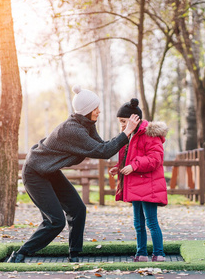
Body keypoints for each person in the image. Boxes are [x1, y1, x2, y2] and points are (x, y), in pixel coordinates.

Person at [7, 85, 140, 263]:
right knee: (55, 221)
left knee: (78, 209)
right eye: (96, 108)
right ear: (86, 110)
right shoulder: (73, 130)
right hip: (34, 173)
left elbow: (104, 146)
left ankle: (74, 255)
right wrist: (126, 132)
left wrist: (127, 135)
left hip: (49, 171)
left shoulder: (86, 125)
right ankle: (21, 254)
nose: (99, 111)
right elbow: (103, 151)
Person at [109, 98, 169, 262]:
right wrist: (119, 167)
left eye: (123, 121)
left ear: (134, 119)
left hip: (148, 186)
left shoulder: (150, 135)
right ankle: (141, 253)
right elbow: (128, 157)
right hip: (135, 186)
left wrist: (134, 166)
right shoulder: (129, 136)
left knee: (151, 222)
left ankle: (159, 253)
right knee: (138, 223)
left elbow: (155, 159)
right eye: (120, 121)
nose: (121, 124)